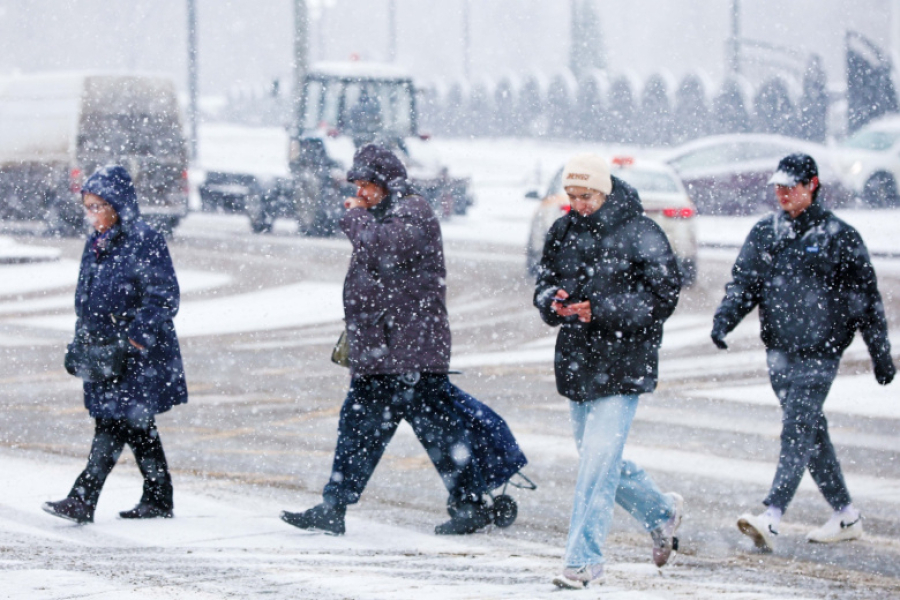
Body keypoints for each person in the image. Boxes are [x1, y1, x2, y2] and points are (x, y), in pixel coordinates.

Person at [280, 144, 492, 536]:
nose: (360, 193)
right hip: (385, 351)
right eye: (357, 185)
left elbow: (384, 249)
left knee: (433, 432)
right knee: (366, 429)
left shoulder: (412, 211)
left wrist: (355, 218)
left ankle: (469, 504)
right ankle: (336, 506)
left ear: (385, 183)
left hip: (409, 352)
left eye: (366, 185)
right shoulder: (385, 215)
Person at [711, 153, 895, 551]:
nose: (782, 194)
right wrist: (724, 320)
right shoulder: (766, 233)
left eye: (790, 186)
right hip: (779, 350)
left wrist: (880, 355)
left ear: (812, 185)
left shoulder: (839, 236)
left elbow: (867, 301)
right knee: (810, 431)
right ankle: (845, 514)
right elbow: (744, 284)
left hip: (821, 350)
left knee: (797, 426)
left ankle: (773, 516)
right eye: (777, 186)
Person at [533, 154, 684, 589]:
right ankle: (661, 512)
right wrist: (553, 303)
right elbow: (543, 281)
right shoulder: (562, 231)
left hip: (624, 361)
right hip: (579, 362)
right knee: (599, 461)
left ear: (605, 191)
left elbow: (663, 299)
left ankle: (583, 562)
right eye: (572, 196)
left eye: (586, 196)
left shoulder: (642, 232)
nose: (578, 204)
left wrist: (600, 310)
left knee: (597, 465)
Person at [43, 165, 187, 524]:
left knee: (114, 422)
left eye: (96, 207)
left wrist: (137, 335)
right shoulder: (96, 244)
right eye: (87, 207)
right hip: (104, 351)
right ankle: (158, 495)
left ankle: (83, 497)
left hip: (135, 354)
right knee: (135, 425)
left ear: (117, 205)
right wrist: (84, 336)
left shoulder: (144, 240)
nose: (90, 215)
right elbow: (86, 295)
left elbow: (164, 296)